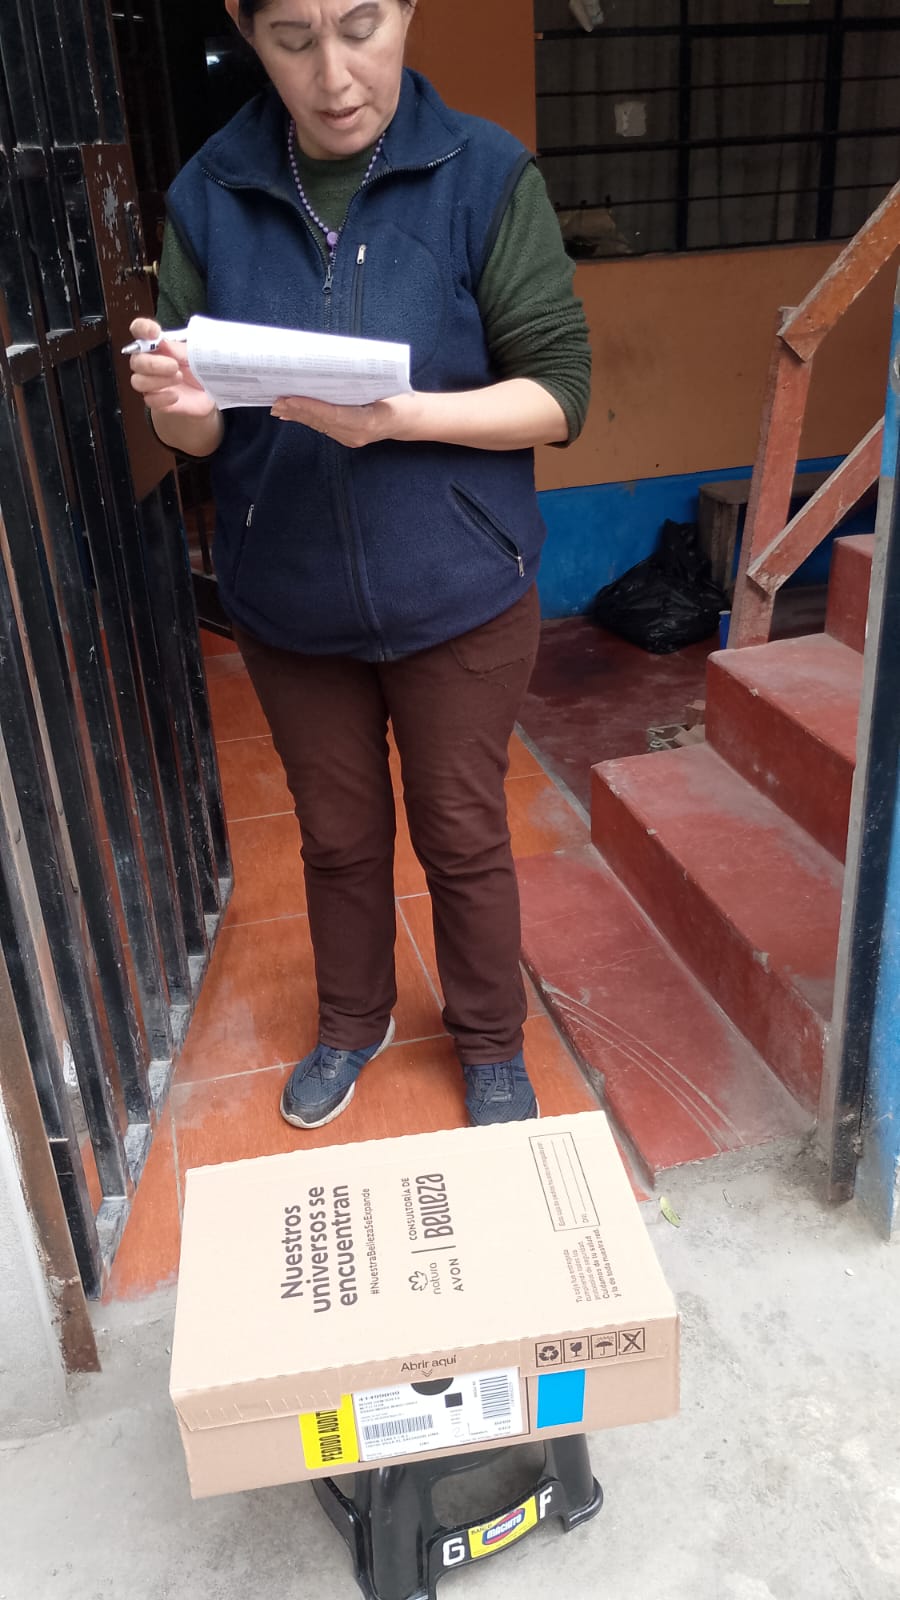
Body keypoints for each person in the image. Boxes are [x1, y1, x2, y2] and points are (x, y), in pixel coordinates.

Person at [129, 0, 591, 1132]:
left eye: (361, 26)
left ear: (407, 10)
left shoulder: (485, 173)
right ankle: (351, 1020)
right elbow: (198, 432)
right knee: (336, 835)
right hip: (289, 596)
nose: (334, 75)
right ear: (246, 29)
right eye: (294, 39)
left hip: (460, 591)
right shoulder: (211, 191)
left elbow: (559, 393)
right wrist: (177, 403)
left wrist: (403, 418)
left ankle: (489, 1041)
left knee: (462, 831)